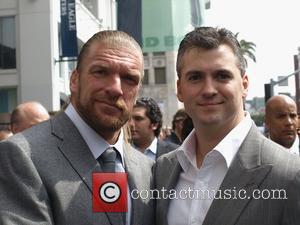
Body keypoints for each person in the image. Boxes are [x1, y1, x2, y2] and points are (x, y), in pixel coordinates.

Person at [0, 31, 154, 225]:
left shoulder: (148, 168)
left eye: (129, 79)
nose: (116, 88)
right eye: (101, 72)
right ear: (74, 80)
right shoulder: (21, 155)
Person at [155, 27, 300, 225]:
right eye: (195, 77)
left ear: (245, 85)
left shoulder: (290, 174)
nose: (208, 90)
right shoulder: (163, 169)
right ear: (180, 89)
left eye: (222, 76)